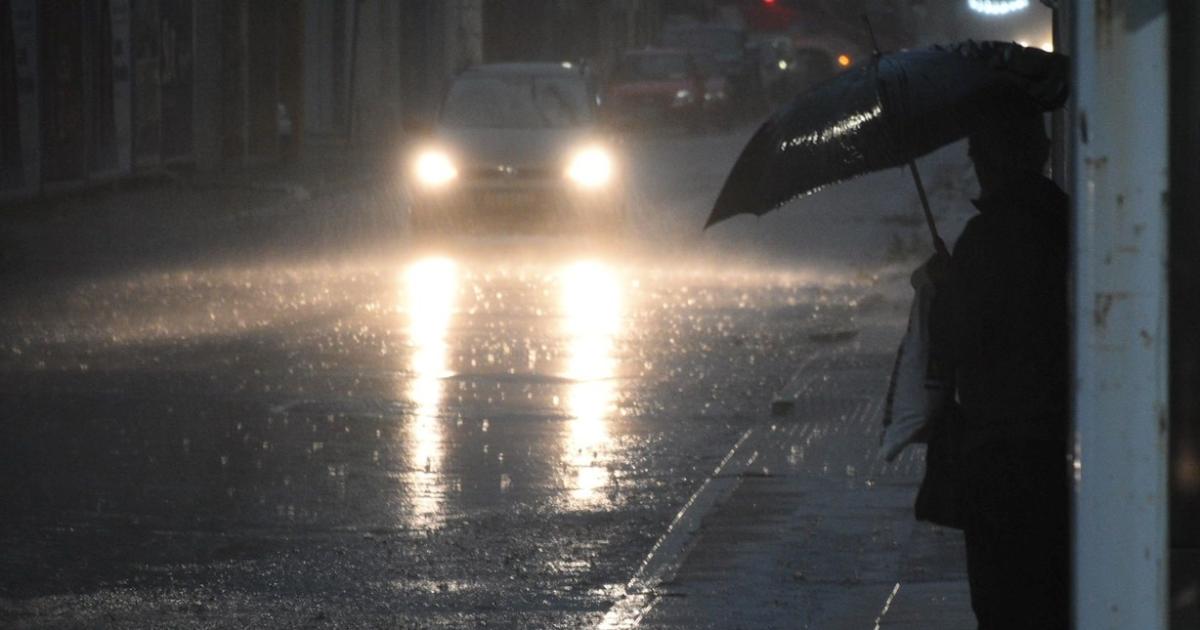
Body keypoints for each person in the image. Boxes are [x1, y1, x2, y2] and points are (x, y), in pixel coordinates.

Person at [930, 113, 1070, 629]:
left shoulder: (984, 240)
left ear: (995, 160)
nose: (976, 167)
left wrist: (944, 289)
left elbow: (953, 345)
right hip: (1063, 449)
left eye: (978, 155)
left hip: (997, 450)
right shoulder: (1071, 226)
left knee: (1002, 601)